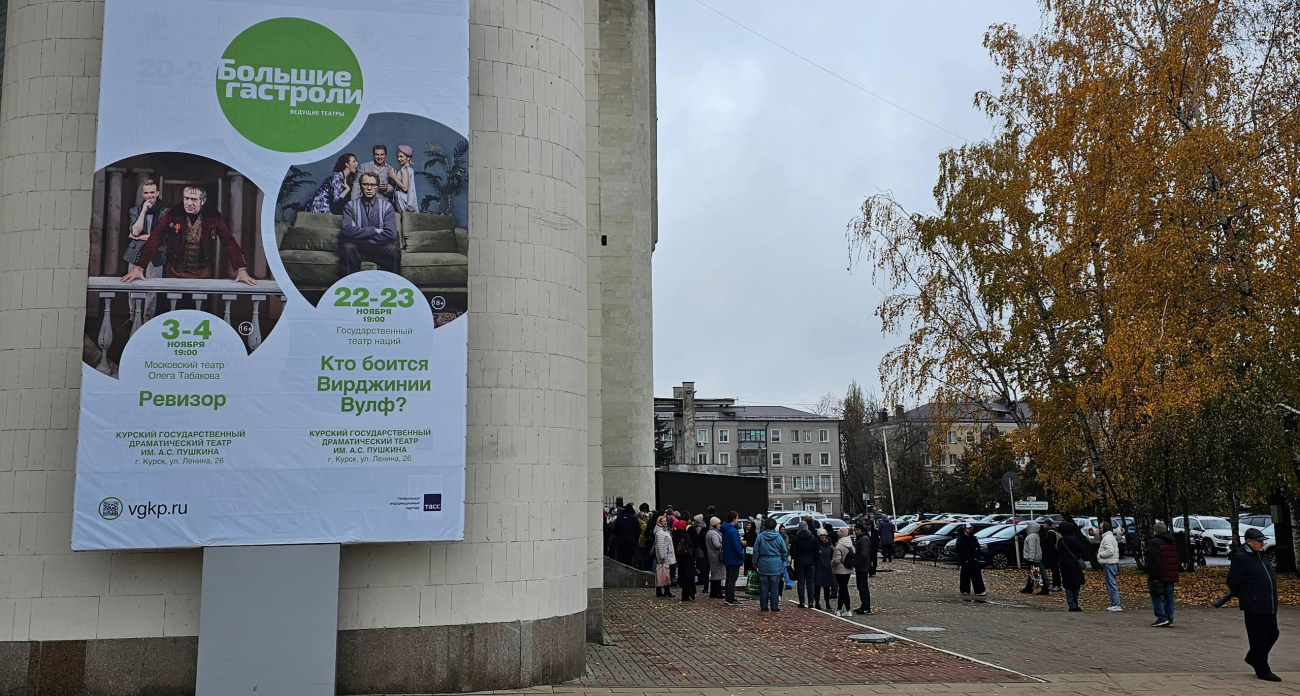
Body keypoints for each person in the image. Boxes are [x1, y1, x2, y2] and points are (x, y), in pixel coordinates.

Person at [122, 185, 255, 286]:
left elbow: (229, 242)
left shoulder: (213, 217)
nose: (189, 203)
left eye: (194, 199)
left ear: (203, 201)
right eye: (186, 198)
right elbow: (155, 238)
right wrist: (138, 266)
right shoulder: (172, 214)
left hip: (202, 274)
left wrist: (241, 269)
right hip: (174, 273)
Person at [1227, 527, 1281, 682]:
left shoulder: (1262, 555)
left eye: (1263, 541)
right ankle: (1262, 669)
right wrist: (1245, 595)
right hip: (1253, 604)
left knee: (1273, 633)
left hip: (1269, 602)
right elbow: (1232, 581)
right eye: (1259, 541)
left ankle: (1253, 657)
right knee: (1258, 637)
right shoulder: (1242, 558)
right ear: (1249, 542)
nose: (1262, 543)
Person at [340, 172, 400, 276]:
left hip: (380, 249)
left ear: (377, 187)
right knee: (347, 248)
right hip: (358, 250)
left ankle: (391, 287)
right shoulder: (350, 206)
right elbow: (346, 231)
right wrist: (375, 230)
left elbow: (391, 234)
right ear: (360, 186)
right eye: (365, 184)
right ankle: (350, 287)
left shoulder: (387, 207)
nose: (369, 188)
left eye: (372, 185)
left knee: (393, 250)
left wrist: (359, 235)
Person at [123, 179, 167, 321]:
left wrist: (139, 237)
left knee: (152, 289)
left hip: (155, 254)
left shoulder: (165, 212)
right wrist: (143, 211)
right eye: (146, 193)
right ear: (142, 194)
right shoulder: (135, 210)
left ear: (157, 193)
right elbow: (135, 231)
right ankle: (132, 317)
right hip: (135, 254)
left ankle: (147, 319)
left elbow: (160, 236)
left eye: (152, 192)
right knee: (133, 285)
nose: (149, 196)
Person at [1146, 522, 1179, 627]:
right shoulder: (1171, 541)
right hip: (1170, 573)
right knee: (1169, 597)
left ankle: (1161, 617)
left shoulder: (1154, 542)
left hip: (1159, 574)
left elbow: (1154, 561)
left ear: (1156, 531)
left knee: (1157, 595)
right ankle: (1170, 617)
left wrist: (1153, 576)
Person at [753, 517, 788, 611]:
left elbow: (756, 550)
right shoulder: (778, 537)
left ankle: (764, 606)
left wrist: (755, 562)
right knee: (774, 587)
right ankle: (774, 606)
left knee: (764, 587)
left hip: (763, 562)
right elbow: (784, 551)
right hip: (776, 563)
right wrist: (782, 560)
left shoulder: (760, 537)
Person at [1057, 521, 1086, 612]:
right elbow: (1082, 550)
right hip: (1075, 564)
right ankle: (1075, 602)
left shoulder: (1061, 541)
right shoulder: (1075, 539)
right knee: (1076, 584)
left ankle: (1071, 604)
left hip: (1064, 565)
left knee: (1068, 585)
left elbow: (1059, 552)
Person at [790, 518, 818, 608]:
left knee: (801, 582)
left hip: (799, 562)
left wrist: (795, 557)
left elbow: (792, 552)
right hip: (811, 562)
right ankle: (811, 602)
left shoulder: (796, 539)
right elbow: (816, 551)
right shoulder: (812, 538)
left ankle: (802, 601)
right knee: (810, 582)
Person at [955, 523, 987, 597]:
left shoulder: (973, 538)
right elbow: (959, 550)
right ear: (964, 529)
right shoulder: (960, 539)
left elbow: (978, 548)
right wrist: (963, 559)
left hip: (973, 559)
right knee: (965, 576)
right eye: (968, 528)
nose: (969, 530)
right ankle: (965, 590)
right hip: (965, 560)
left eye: (970, 529)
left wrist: (976, 557)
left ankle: (979, 590)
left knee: (977, 576)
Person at [721, 512, 745, 605]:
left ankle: (728, 597)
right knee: (732, 579)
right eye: (737, 518)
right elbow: (736, 545)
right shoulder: (733, 531)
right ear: (734, 519)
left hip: (727, 556)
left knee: (729, 578)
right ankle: (731, 598)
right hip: (734, 557)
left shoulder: (725, 530)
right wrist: (741, 554)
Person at [1097, 520, 1122, 611]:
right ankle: (1114, 603)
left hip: (1109, 563)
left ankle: (1116, 603)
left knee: (1111, 584)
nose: (1099, 529)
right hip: (1110, 563)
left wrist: (1100, 555)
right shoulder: (1109, 537)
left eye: (1101, 528)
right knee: (1111, 584)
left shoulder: (1107, 538)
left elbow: (1110, 551)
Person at [831, 528, 855, 616]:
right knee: (842, 589)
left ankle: (848, 609)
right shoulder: (851, 544)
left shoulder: (839, 546)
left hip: (840, 570)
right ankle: (839, 609)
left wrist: (832, 564)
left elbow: (836, 560)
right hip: (848, 569)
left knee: (843, 589)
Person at [390, 144, 420, 213]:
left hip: (403, 201)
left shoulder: (404, 170)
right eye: (398, 156)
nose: (399, 159)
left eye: (401, 156)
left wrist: (394, 176)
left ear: (408, 157)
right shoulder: (409, 169)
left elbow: (405, 188)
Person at [852, 523, 874, 614]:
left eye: (857, 530)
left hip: (863, 567)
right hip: (861, 567)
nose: (856, 532)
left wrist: (857, 563)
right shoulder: (861, 539)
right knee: (860, 587)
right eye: (855, 530)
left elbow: (864, 554)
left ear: (861, 530)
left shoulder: (863, 539)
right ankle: (864, 605)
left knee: (863, 587)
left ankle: (866, 607)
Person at [653, 516, 676, 598]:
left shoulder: (664, 531)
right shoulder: (660, 533)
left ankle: (662, 590)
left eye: (665, 521)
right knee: (664, 573)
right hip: (665, 556)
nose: (665, 522)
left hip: (667, 554)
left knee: (663, 573)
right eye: (663, 521)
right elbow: (660, 546)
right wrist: (662, 557)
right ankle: (665, 590)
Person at [674, 519, 697, 602]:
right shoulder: (685, 536)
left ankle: (686, 594)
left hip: (679, 559)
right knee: (689, 577)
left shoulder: (674, 536)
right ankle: (687, 594)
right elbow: (692, 548)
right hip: (688, 559)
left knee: (683, 576)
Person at [1020, 521, 1046, 594]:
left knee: (1035, 573)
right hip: (1035, 557)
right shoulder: (1035, 535)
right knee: (1034, 573)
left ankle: (1042, 588)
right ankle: (1029, 588)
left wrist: (1031, 558)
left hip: (1033, 558)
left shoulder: (1031, 536)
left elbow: (1032, 548)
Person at [813, 529, 835, 610]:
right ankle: (817, 602)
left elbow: (833, 556)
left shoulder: (830, 546)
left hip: (827, 569)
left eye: (824, 536)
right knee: (817, 587)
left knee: (826, 588)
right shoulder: (816, 546)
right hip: (818, 569)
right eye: (821, 536)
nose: (823, 537)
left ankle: (827, 603)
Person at [706, 517, 725, 598]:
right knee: (717, 574)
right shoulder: (714, 533)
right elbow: (716, 545)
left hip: (712, 555)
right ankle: (717, 592)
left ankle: (713, 592)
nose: (719, 525)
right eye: (718, 523)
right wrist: (724, 545)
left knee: (714, 574)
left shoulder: (709, 532)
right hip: (716, 555)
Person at [1040, 519, 1062, 591]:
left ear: (1047, 524)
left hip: (1053, 554)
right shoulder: (1054, 531)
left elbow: (1049, 544)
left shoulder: (1050, 533)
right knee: (1054, 570)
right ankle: (1055, 584)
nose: (1043, 525)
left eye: (1044, 524)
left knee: (1055, 570)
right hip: (1055, 553)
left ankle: (1057, 584)